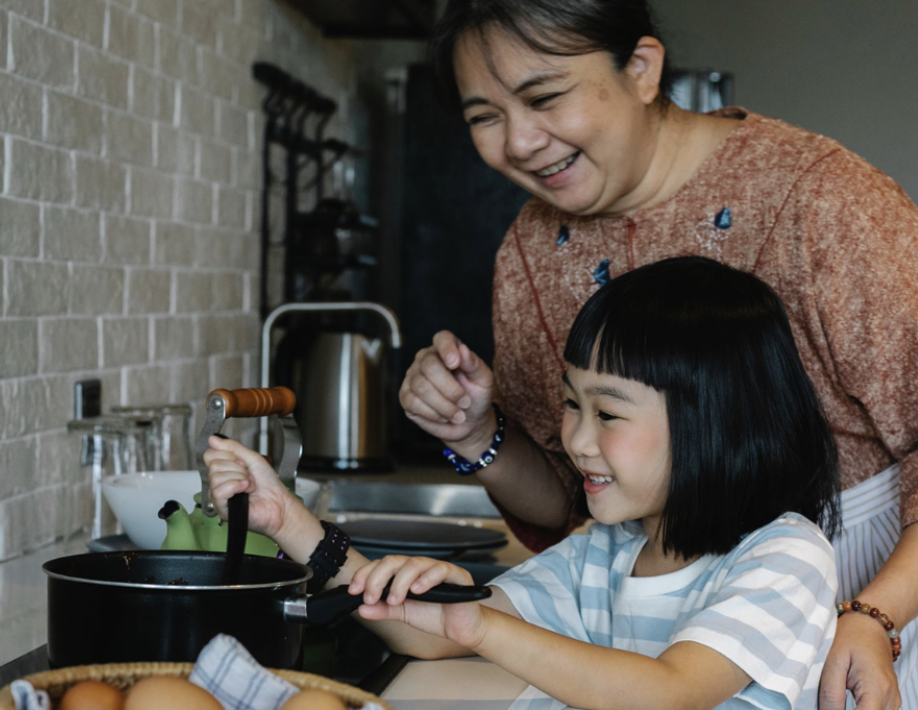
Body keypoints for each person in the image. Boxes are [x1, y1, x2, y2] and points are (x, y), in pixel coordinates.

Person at [396, 2, 918, 707]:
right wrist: (476, 432)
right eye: (484, 116)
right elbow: (570, 496)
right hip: (661, 634)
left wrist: (876, 613)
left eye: (544, 97)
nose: (518, 141)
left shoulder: (822, 199)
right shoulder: (529, 250)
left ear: (642, 69)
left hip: (881, 603)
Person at [207, 257, 842, 709]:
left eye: (608, 414)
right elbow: (421, 632)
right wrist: (286, 519)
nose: (577, 439)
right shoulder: (606, 551)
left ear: (718, 421)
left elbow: (668, 694)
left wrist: (480, 627)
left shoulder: (785, 557)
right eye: (572, 404)